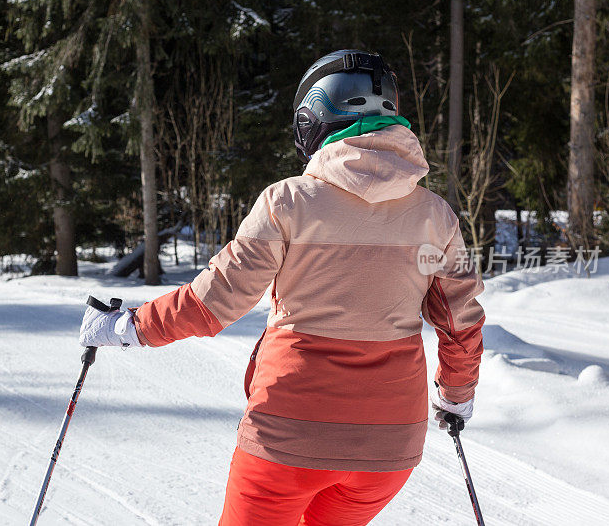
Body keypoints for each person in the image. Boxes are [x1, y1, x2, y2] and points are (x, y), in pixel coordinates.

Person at [79, 49, 485, 526]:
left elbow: (214, 301)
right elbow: (461, 319)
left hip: (286, 437)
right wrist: (456, 395)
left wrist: (125, 326)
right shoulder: (436, 215)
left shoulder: (288, 201)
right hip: (390, 446)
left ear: (314, 117)